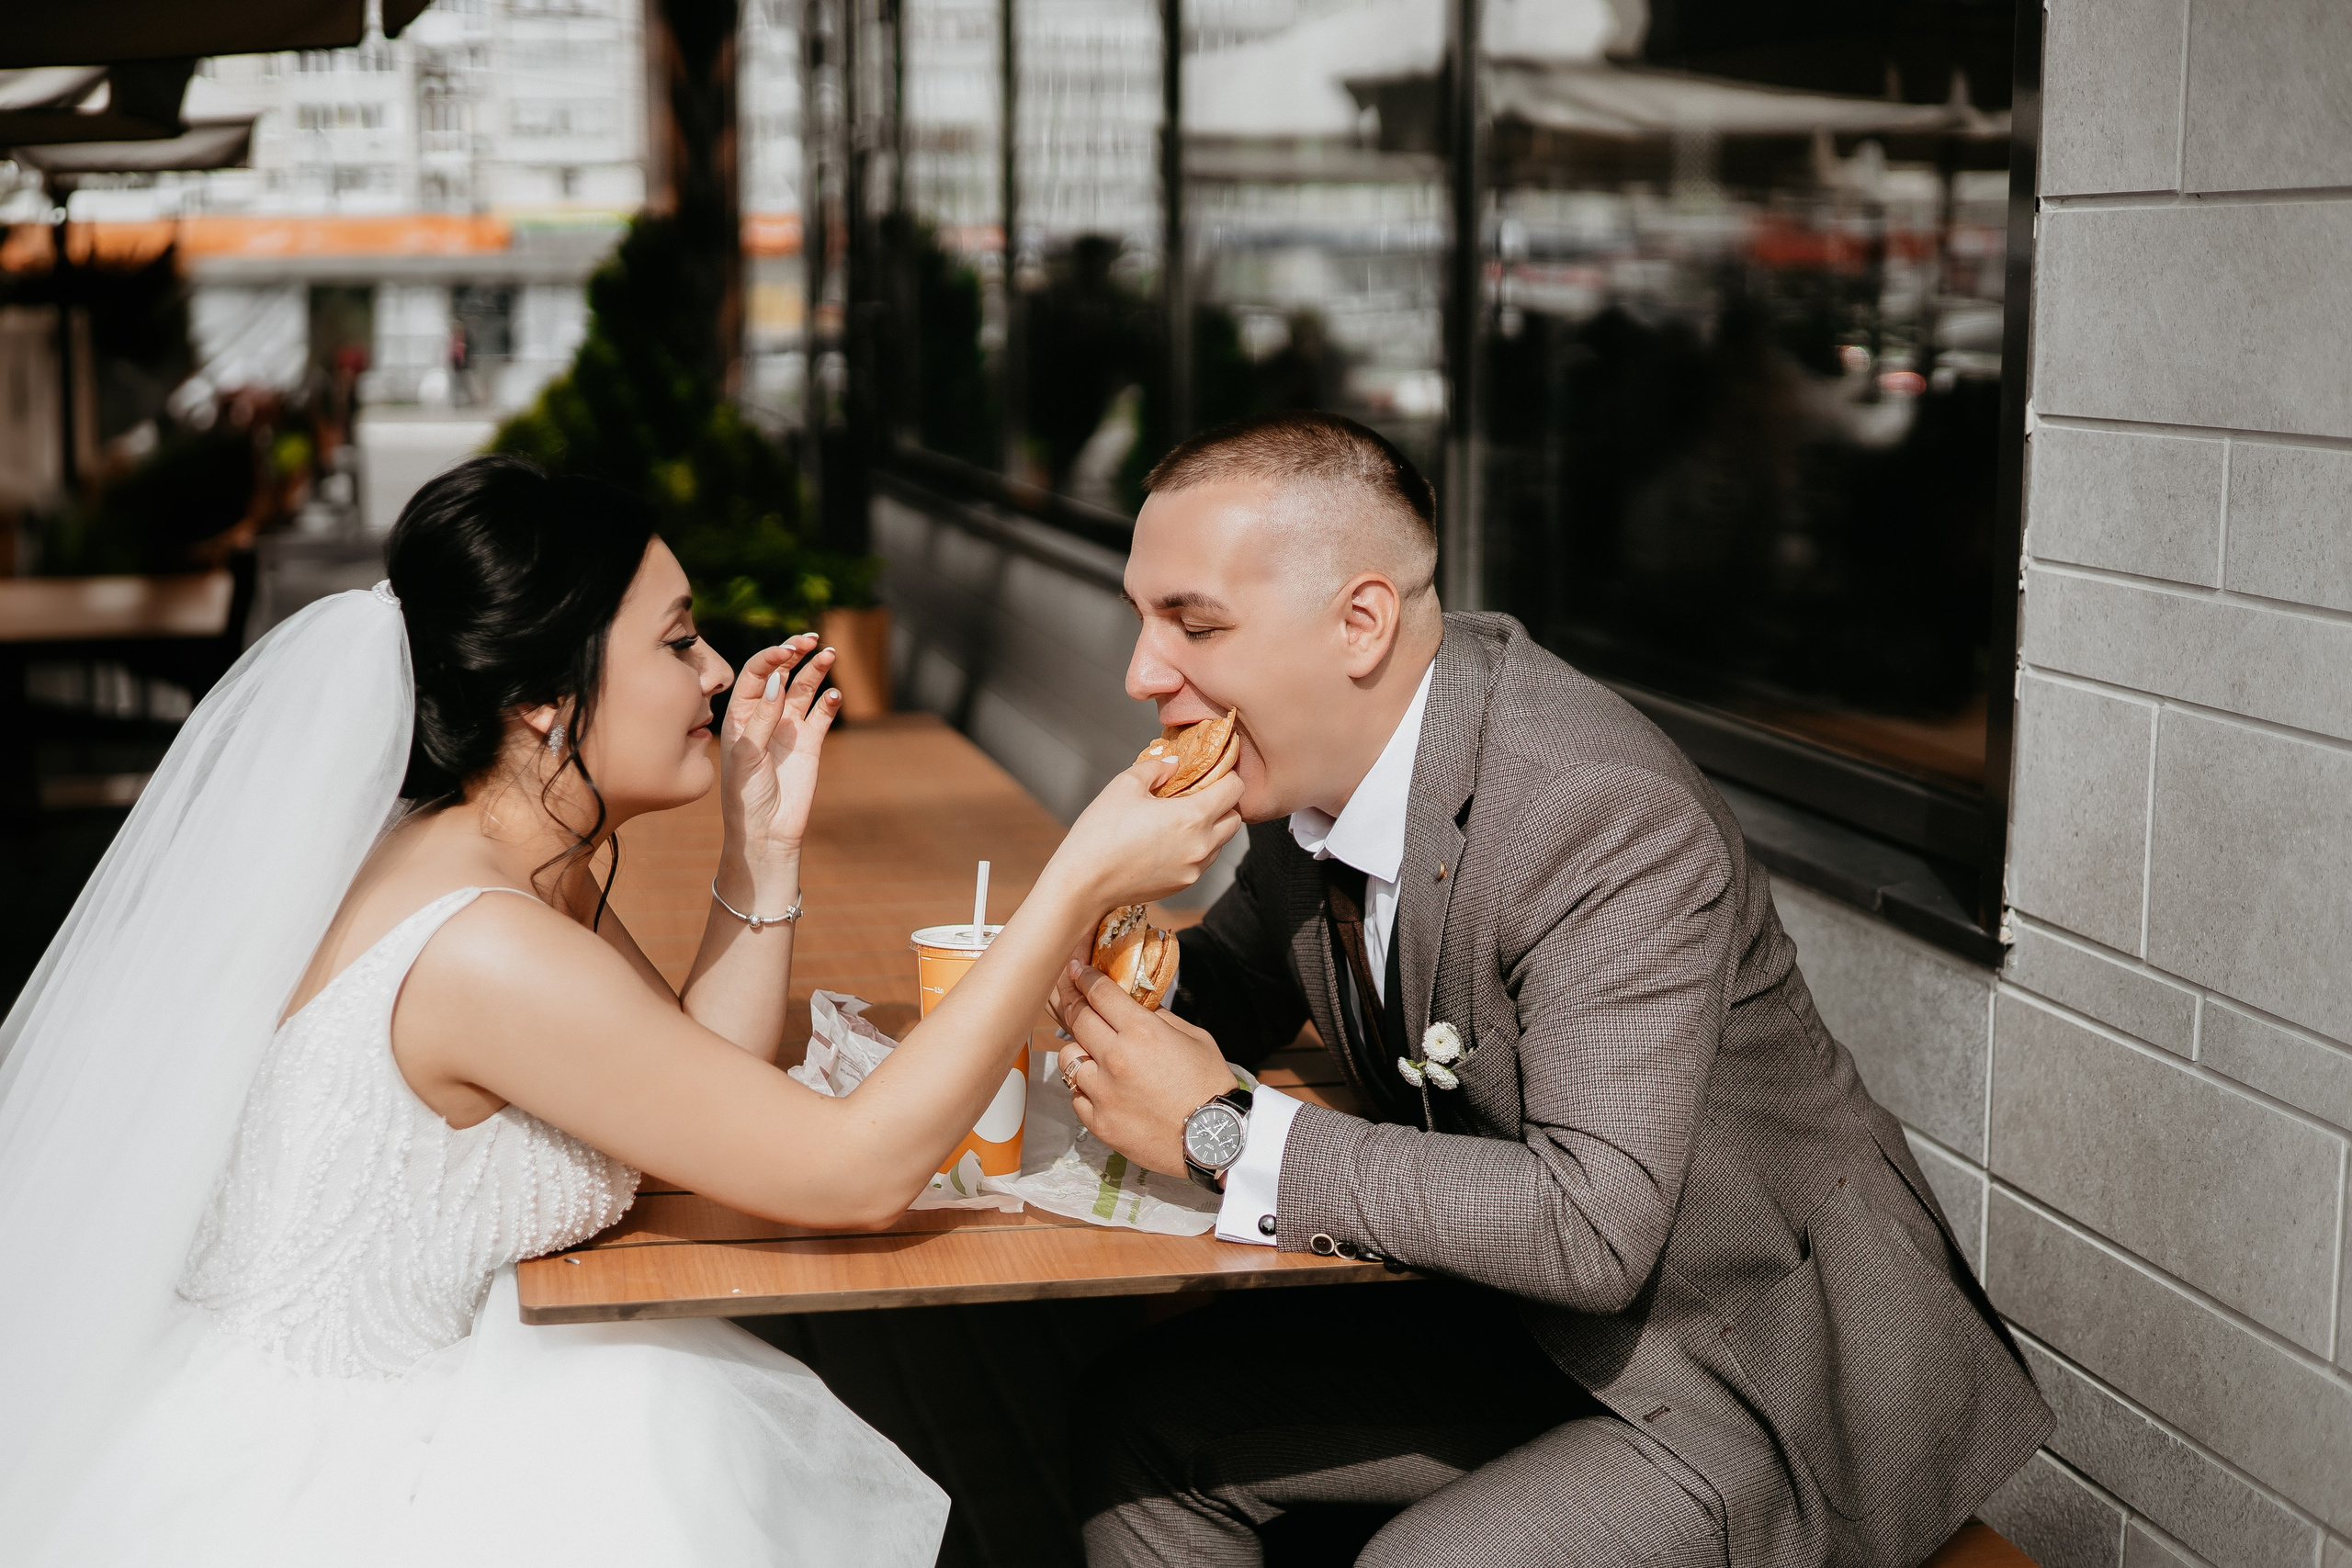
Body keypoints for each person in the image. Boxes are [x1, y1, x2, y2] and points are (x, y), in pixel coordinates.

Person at [0, 455, 1242, 1566]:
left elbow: (690, 1094)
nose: (717, 672)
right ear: (546, 696)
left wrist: (760, 848)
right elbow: (852, 1171)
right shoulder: (484, 946)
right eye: (677, 640)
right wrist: (1073, 883)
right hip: (337, 1475)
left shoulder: (506, 856)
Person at [1051, 412, 2052, 1568]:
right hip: (1522, 1323)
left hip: (1748, 1371)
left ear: (1360, 623)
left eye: (1194, 625)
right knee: (1141, 1428)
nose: (1143, 673)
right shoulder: (1304, 771)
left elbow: (1592, 1224)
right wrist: (1086, 962)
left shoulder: (1595, 811)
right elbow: (1239, 977)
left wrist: (1220, 1130)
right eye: (1143, 617)